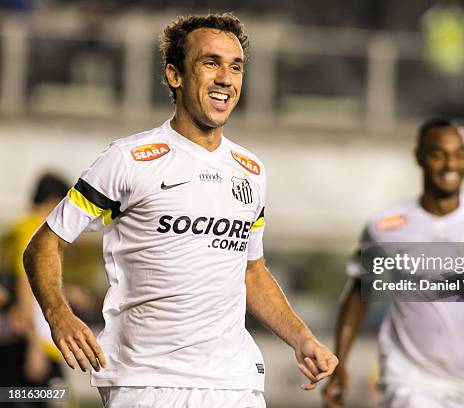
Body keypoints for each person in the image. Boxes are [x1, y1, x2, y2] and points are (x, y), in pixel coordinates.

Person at [23, 12, 337, 408]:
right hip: (147, 382)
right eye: (211, 63)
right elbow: (43, 245)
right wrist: (59, 316)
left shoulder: (251, 170)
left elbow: (251, 272)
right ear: (175, 75)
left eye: (235, 66)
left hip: (234, 382)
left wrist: (302, 338)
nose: (226, 78)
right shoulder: (129, 159)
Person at [323, 118, 464, 407]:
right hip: (407, 376)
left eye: (460, 153)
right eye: (439, 153)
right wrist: (340, 363)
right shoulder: (385, 227)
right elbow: (359, 294)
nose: (451, 164)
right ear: (418, 157)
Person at [0, 173, 68, 394]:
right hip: (37, 341)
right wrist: (34, 346)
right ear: (54, 202)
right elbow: (25, 287)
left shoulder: (17, 227)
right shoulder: (35, 231)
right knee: (57, 398)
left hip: (13, 336)